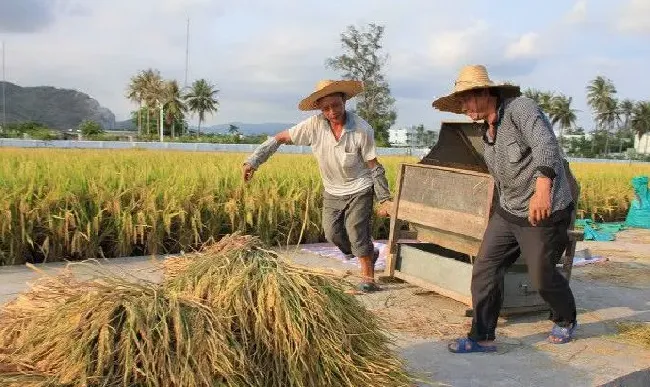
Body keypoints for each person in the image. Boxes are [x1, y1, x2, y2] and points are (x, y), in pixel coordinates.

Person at [431, 65, 578, 353]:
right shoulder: (486, 130)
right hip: (508, 212)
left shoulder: (520, 109)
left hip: (544, 211)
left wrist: (542, 190)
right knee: (485, 269)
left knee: (541, 275)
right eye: (459, 102)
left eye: (466, 100)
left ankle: (566, 318)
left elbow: (546, 145)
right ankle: (482, 336)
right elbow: (502, 178)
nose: (463, 107)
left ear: (485, 92)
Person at [242, 79, 393, 294]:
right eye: (326, 108)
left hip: (360, 187)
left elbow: (374, 165)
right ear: (319, 109)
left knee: (356, 230)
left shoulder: (361, 129)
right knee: (332, 233)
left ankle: (368, 278)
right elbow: (281, 137)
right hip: (332, 190)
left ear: (344, 101)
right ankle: (369, 252)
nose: (332, 112)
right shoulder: (313, 126)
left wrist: (384, 198)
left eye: (336, 105)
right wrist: (254, 160)